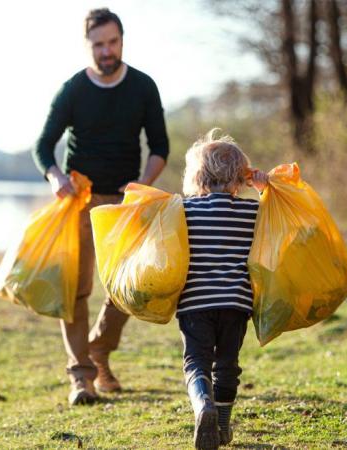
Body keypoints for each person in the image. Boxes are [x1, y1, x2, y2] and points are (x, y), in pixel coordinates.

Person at [31, 8, 170, 406]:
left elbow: (160, 147)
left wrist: (142, 185)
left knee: (130, 287)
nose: (106, 51)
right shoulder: (73, 89)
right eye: (98, 44)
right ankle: (82, 379)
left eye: (112, 42)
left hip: (125, 204)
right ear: (88, 45)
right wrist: (57, 178)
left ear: (122, 40)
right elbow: (42, 147)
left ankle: (99, 349)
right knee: (76, 291)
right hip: (80, 200)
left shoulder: (143, 87)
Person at [177, 129, 268, 449]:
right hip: (236, 303)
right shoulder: (253, 212)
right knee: (227, 363)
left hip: (195, 303)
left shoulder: (183, 212)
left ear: (197, 176)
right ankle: (224, 426)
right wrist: (264, 190)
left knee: (196, 362)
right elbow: (279, 222)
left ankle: (204, 406)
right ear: (240, 177)